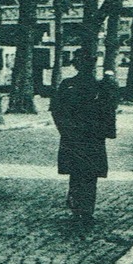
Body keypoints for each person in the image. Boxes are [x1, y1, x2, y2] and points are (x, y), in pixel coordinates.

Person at [51, 54, 119, 225]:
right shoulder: (100, 86)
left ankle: (76, 207)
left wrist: (64, 130)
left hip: (73, 137)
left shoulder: (68, 84)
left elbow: (56, 110)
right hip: (92, 138)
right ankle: (86, 211)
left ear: (76, 66)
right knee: (90, 175)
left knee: (76, 173)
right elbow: (111, 106)